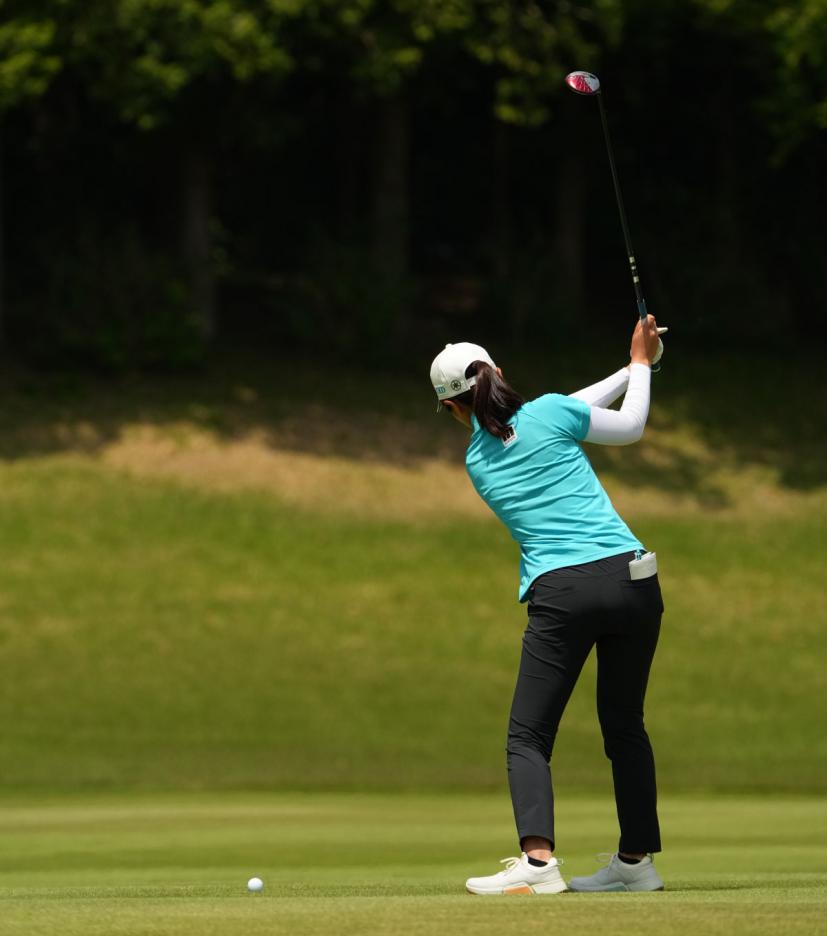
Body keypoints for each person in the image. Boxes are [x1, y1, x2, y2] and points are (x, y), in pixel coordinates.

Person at [429, 315, 666, 895]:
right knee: (624, 725)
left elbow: (562, 408)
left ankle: (538, 865)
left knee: (529, 736)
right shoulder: (551, 413)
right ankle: (635, 864)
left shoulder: (478, 461)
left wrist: (636, 365)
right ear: (499, 371)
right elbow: (626, 424)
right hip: (633, 579)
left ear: (452, 408)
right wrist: (640, 365)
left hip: (564, 593)